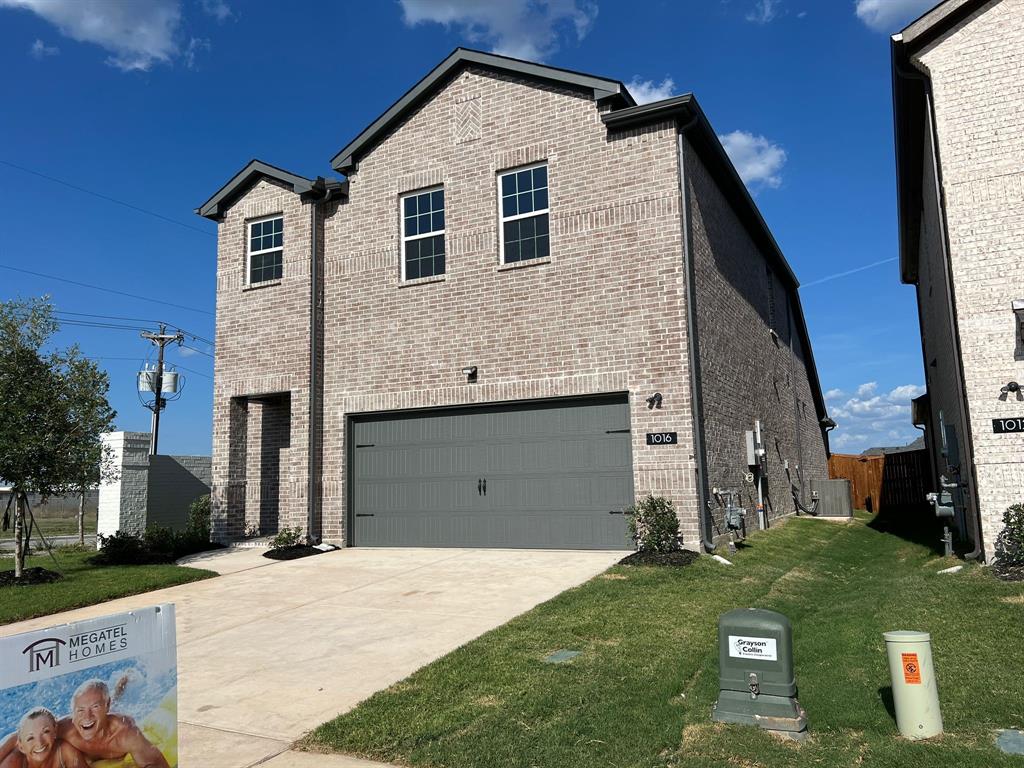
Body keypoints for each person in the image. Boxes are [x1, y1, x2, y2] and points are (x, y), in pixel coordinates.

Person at [0, 681, 169, 768]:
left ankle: (119, 688)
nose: (86, 717)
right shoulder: (66, 729)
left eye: (95, 707)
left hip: (113, 725)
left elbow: (156, 764)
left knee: (112, 711)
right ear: (73, 714)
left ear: (105, 706)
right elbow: (24, 735)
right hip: (87, 754)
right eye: (79, 710)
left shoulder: (126, 734)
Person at [0, 708, 88, 768]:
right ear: (21, 747)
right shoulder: (13, 762)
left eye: (45, 732)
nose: (39, 743)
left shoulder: (63, 751)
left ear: (55, 731)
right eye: (30, 738)